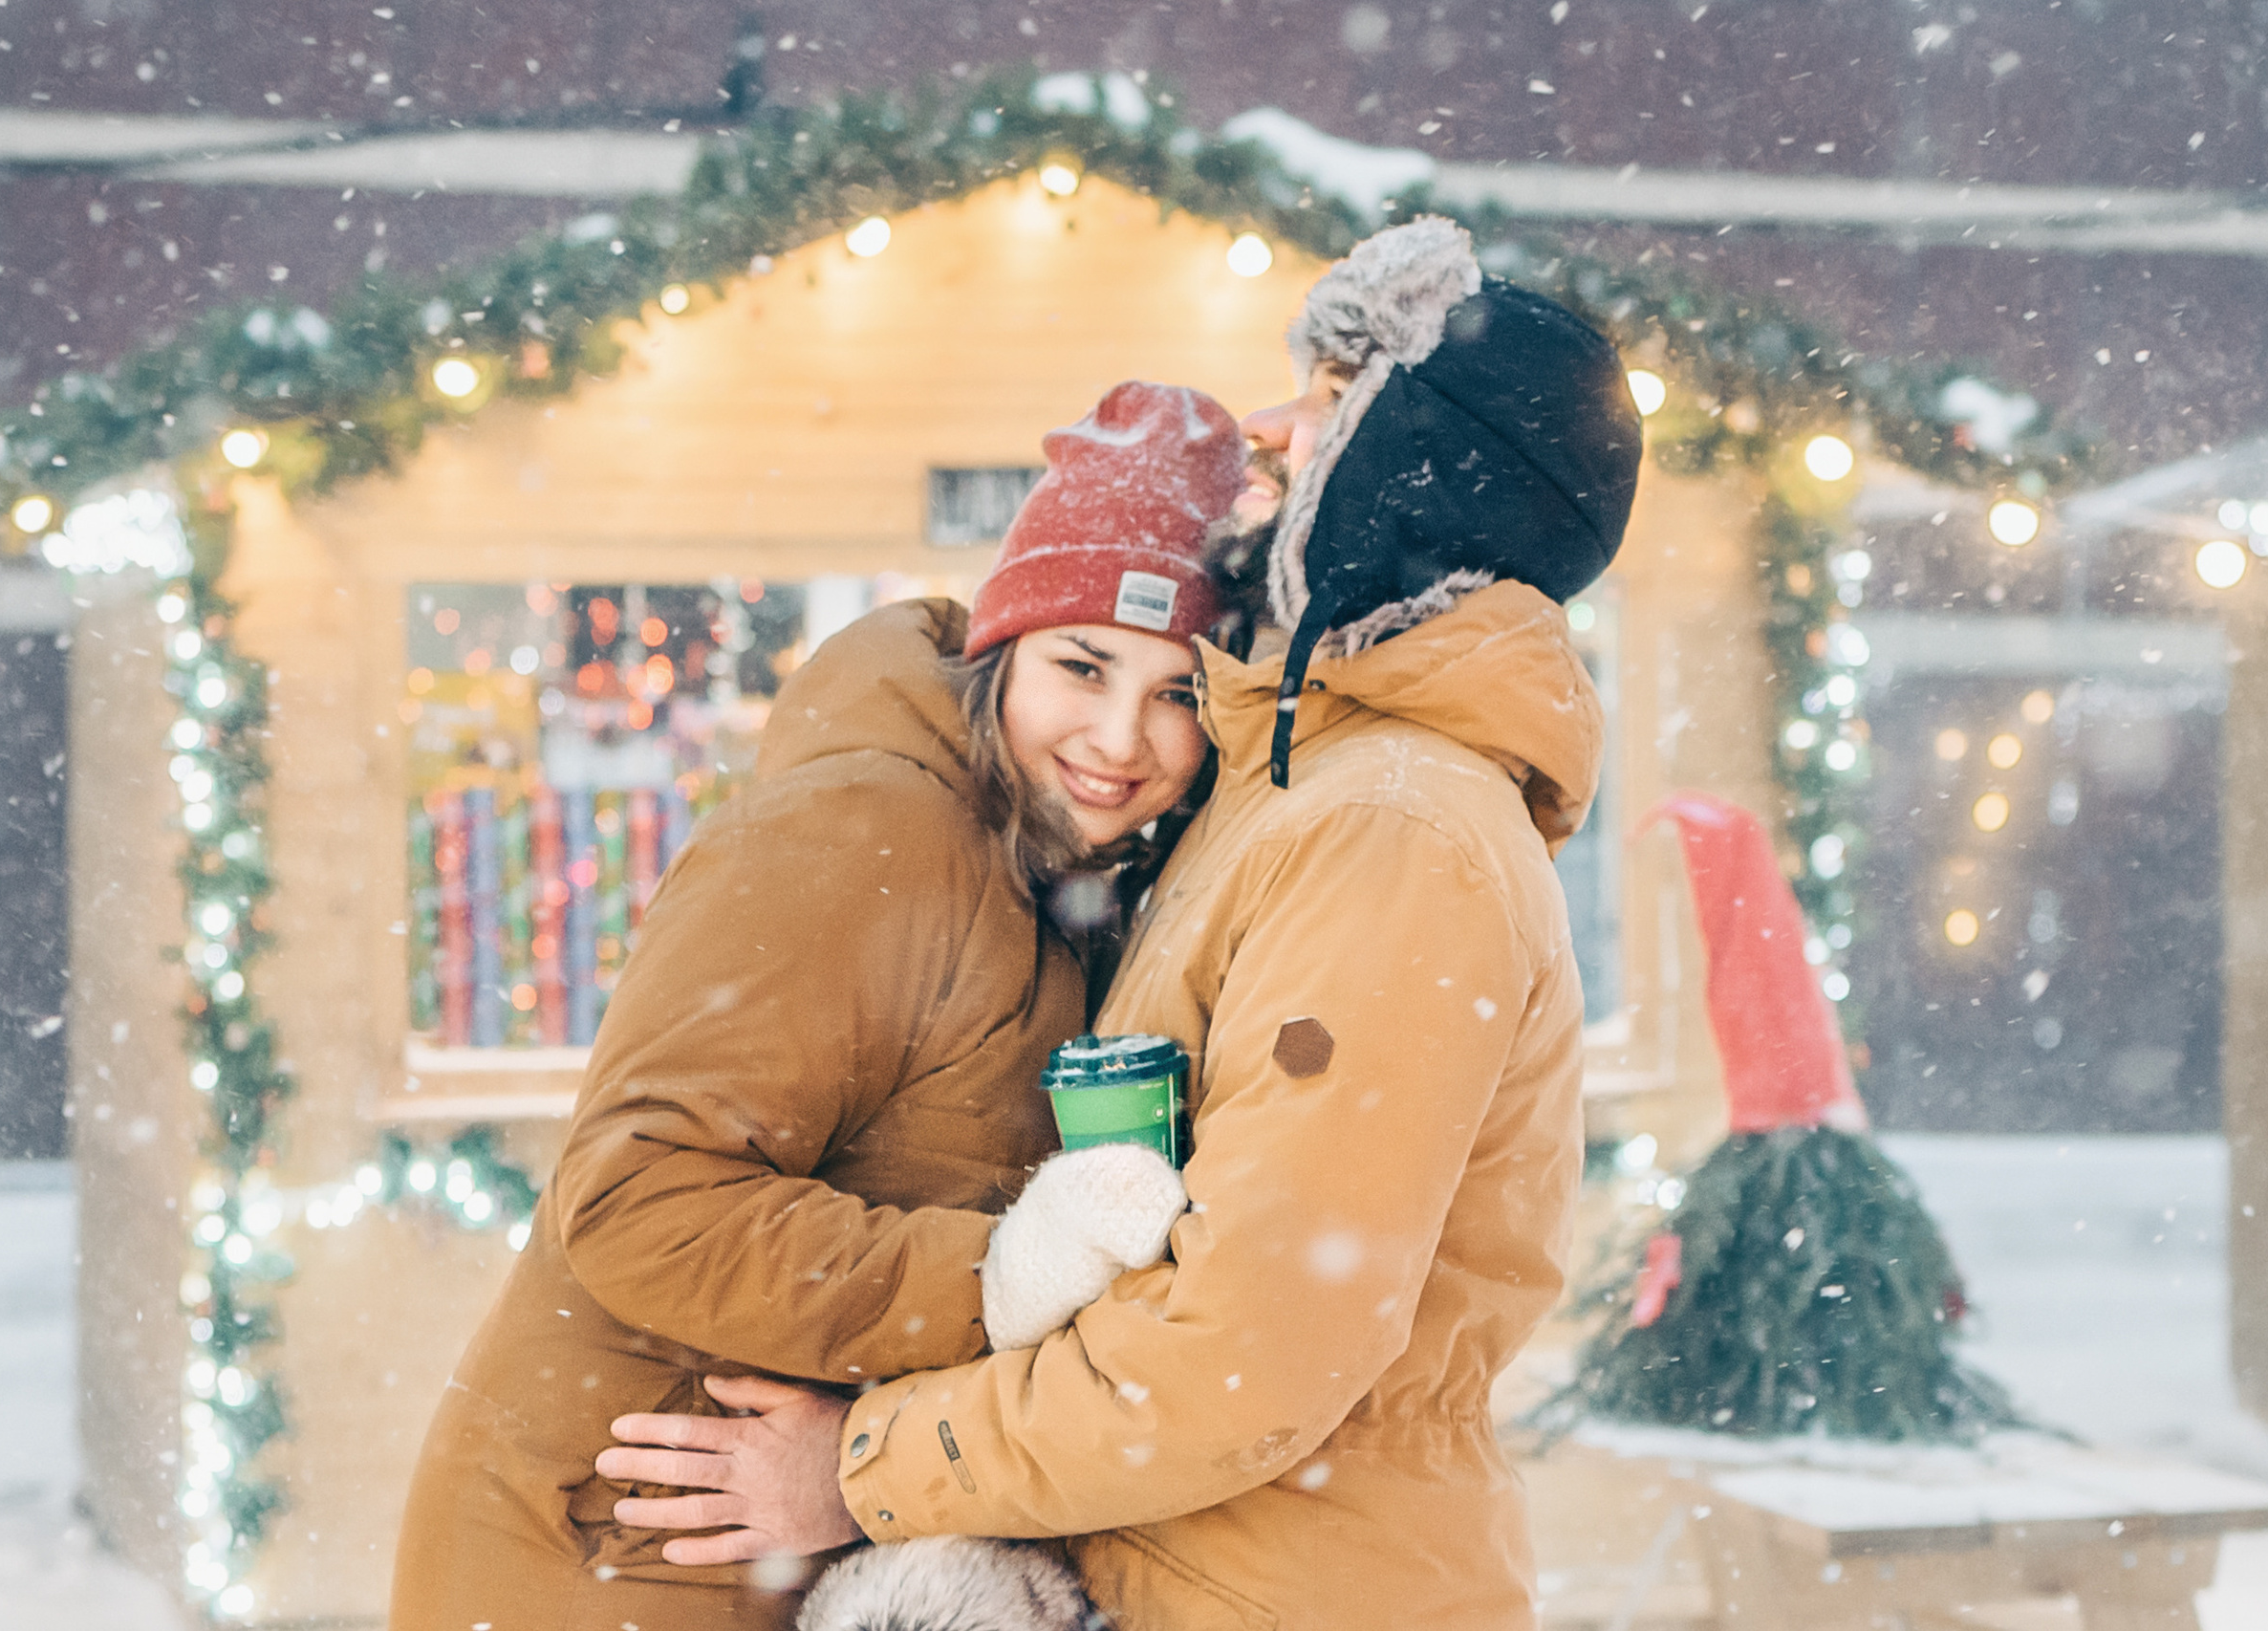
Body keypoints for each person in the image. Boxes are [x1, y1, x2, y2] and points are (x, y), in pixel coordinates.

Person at [597, 216, 1645, 1630]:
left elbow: (1249, 1348)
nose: (1275, 443)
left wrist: (865, 1470)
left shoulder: (1388, 827)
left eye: (1323, 419)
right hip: (1187, 1561)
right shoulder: (1286, 786)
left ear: (1396, 479)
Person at [386, 380, 1244, 1631]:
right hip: (611, 1548)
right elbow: (638, 1198)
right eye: (1084, 664)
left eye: (1178, 692)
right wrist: (991, 1278)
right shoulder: (869, 828)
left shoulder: (1050, 873)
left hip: (755, 1556)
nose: (1122, 736)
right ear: (1001, 648)